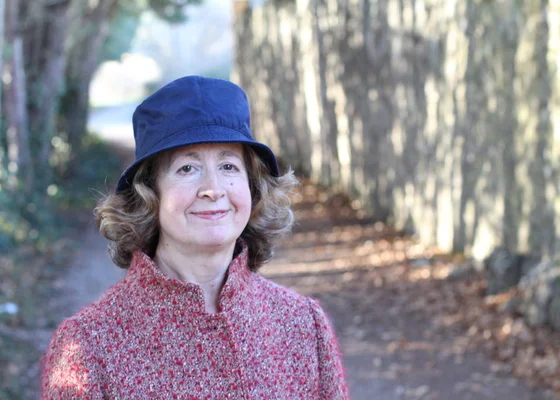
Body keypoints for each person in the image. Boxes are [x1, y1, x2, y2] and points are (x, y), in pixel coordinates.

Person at [41, 76, 349, 399]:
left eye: (229, 166)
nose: (213, 189)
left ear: (252, 185)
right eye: (187, 168)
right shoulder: (87, 348)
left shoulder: (303, 326)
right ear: (149, 194)